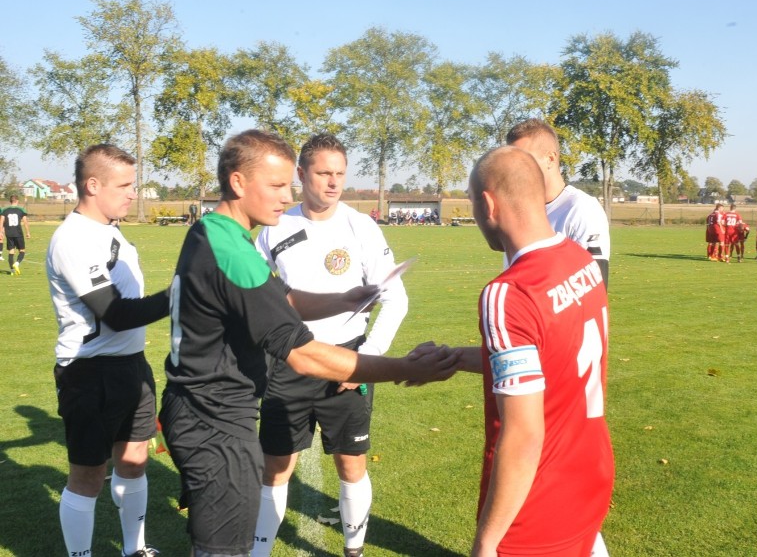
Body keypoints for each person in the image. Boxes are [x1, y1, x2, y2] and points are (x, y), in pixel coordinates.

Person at [159, 129, 458, 557]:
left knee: (225, 539)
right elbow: (300, 351)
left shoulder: (211, 232)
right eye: (277, 185)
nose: (285, 196)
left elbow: (277, 298)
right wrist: (409, 369)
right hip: (215, 420)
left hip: (211, 412)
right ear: (240, 183)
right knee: (224, 546)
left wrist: (342, 300)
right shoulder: (235, 250)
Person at [415, 146, 613, 556]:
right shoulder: (580, 259)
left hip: (539, 501)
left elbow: (523, 434)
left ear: (487, 203)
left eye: (471, 202)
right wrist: (455, 358)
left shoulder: (508, 293)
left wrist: (487, 543)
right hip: (590, 473)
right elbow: (551, 358)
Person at [253, 134, 409, 557]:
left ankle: (353, 551)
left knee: (350, 462)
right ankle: (259, 551)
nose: (333, 182)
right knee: (276, 467)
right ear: (301, 175)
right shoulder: (273, 226)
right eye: (324, 173)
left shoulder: (361, 226)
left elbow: (396, 297)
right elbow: (258, 299)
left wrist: (365, 359)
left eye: (340, 173)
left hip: (348, 358)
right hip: (289, 360)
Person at [46, 144, 169, 557]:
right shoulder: (73, 238)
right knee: (88, 475)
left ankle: (134, 549)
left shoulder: (110, 230)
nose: (132, 192)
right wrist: (181, 296)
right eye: (125, 185)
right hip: (89, 372)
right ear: (93, 185)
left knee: (134, 463)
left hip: (132, 366)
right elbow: (113, 312)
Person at [506, 119, 611, 288]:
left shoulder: (582, 209)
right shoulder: (519, 212)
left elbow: (594, 290)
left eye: (525, 160)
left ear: (550, 158)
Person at [1, 194, 31, 275]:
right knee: (22, 251)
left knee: (11, 252)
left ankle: (12, 271)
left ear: (10, 201)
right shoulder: (21, 210)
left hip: (9, 233)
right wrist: (28, 232)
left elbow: (1, 221)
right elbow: (25, 222)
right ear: (17, 201)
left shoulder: (5, 210)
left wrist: (0, 232)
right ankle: (17, 263)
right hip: (18, 233)